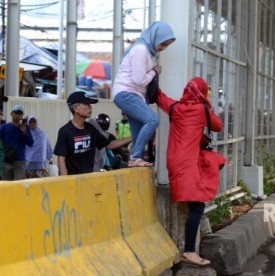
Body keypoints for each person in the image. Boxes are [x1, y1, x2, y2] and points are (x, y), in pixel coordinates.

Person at [156, 77, 226, 266]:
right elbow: (218, 126)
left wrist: (153, 74)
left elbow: (159, 97)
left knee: (194, 201)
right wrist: (207, 106)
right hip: (187, 163)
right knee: (197, 206)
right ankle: (189, 251)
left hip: (174, 161)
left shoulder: (175, 108)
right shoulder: (202, 110)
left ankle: (190, 248)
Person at [112, 21, 175, 167]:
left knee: (138, 129)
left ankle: (135, 159)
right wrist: (155, 71)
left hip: (130, 94)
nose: (163, 48)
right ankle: (135, 155)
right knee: (152, 120)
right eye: (163, 44)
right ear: (155, 37)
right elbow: (139, 80)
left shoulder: (146, 51)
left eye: (166, 46)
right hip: (127, 93)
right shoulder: (141, 50)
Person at [53, 92, 132, 175]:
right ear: (76, 108)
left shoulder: (90, 129)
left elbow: (110, 145)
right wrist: (66, 182)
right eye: (87, 104)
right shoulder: (65, 131)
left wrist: (133, 137)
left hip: (89, 179)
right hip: (73, 181)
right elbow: (61, 160)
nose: (90, 107)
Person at [0, 105, 34, 180]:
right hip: (7, 160)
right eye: (17, 113)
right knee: (6, 185)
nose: (19, 115)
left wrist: (24, 132)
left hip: (20, 160)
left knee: (19, 185)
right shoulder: (4, 127)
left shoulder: (25, 128)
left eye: (21, 114)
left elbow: (31, 143)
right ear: (12, 114)